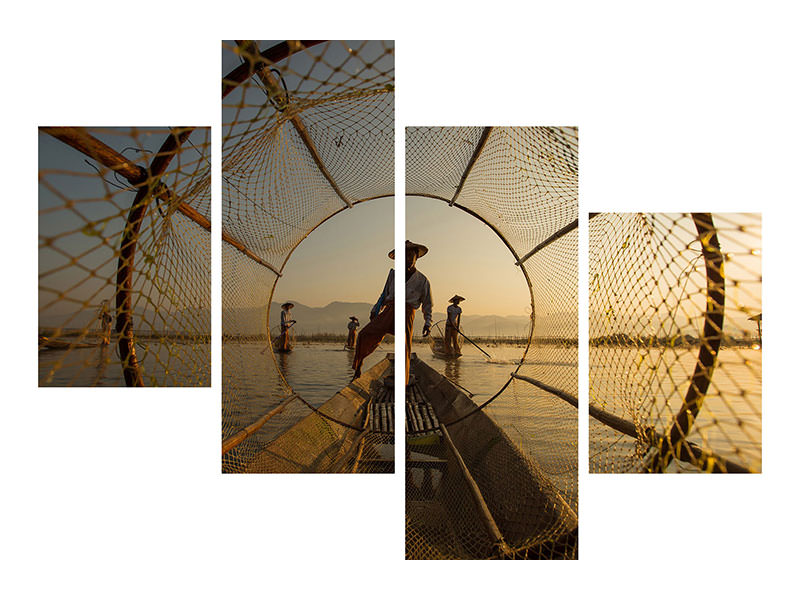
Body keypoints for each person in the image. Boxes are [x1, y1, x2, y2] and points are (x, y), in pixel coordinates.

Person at [351, 240, 432, 384]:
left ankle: (403, 381)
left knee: (404, 347)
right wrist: (376, 309)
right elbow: (384, 294)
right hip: (390, 310)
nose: (406, 259)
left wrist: (428, 323)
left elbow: (427, 304)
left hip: (406, 314)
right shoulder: (393, 275)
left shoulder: (422, 280)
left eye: (410, 255)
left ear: (416, 257)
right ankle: (358, 368)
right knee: (364, 334)